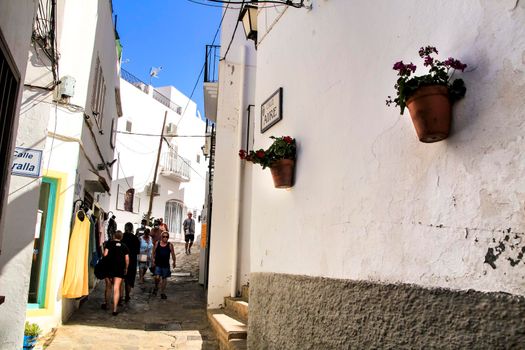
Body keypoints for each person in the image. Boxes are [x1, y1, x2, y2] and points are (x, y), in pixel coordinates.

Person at [102, 230, 129, 316]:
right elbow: (127, 259)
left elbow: (105, 255)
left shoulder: (109, 244)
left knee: (108, 287)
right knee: (116, 288)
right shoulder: (124, 246)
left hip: (109, 267)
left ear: (114, 236)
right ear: (121, 237)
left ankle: (107, 305)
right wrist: (126, 268)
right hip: (119, 268)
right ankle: (114, 309)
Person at [152, 231, 176, 299]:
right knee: (157, 277)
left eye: (166, 237)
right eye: (164, 236)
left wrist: (174, 261)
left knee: (164, 278)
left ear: (168, 238)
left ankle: (162, 292)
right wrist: (153, 260)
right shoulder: (157, 243)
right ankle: (156, 286)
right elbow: (153, 252)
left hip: (165, 265)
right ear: (161, 237)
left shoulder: (170, 245)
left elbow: (173, 254)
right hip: (158, 264)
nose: (165, 238)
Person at [121, 222, 140, 302]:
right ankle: (127, 296)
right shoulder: (135, 238)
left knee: (121, 279)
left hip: (121, 261)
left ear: (125, 228)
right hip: (132, 261)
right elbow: (138, 252)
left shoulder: (121, 237)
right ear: (132, 229)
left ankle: (120, 297)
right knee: (129, 279)